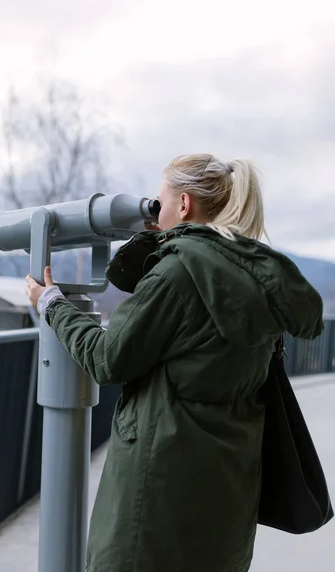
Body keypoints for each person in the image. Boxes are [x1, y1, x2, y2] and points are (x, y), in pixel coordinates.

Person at [26, 154, 324, 572]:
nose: (156, 210)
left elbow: (108, 360)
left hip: (161, 489)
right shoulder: (257, 280)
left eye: (161, 201)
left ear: (184, 205)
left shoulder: (177, 275)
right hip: (227, 487)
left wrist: (53, 305)